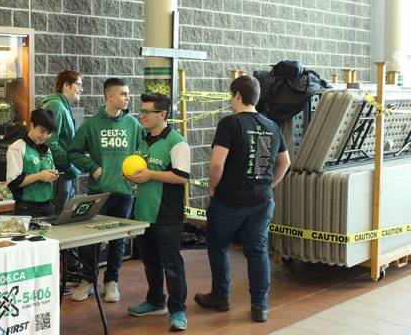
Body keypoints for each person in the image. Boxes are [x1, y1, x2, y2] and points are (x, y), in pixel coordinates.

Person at [194, 75, 290, 323]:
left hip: (230, 200)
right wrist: (269, 184)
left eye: (230, 95)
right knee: (258, 251)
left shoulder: (229, 124)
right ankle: (260, 306)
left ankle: (220, 297)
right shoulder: (272, 125)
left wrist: (213, 189)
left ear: (236, 95)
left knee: (218, 246)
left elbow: (216, 164)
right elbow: (285, 162)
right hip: (261, 200)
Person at [68, 77, 145, 303]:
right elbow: (73, 152)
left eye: (127, 94)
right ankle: (87, 279)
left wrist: (139, 172)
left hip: (124, 192)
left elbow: (144, 150)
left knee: (118, 239)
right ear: (110, 96)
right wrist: (93, 168)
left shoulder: (133, 125)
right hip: (98, 191)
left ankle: (112, 281)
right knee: (90, 239)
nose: (127, 97)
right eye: (123, 93)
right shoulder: (92, 125)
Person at [126, 93, 190, 331]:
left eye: (146, 112)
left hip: (167, 214)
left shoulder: (177, 142)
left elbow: (181, 177)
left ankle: (178, 310)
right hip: (144, 212)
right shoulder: (144, 140)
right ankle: (155, 301)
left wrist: (150, 175)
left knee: (172, 264)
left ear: (162, 115)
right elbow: (142, 169)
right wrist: (132, 176)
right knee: (150, 261)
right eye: (141, 111)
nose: (141, 116)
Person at [41, 69, 83, 214]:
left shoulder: (62, 105)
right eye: (79, 85)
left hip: (64, 173)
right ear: (66, 85)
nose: (81, 90)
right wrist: (68, 166)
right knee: (59, 219)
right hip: (59, 174)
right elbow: (49, 143)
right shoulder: (56, 105)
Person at [6, 108, 59, 218]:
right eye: (42, 131)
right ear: (31, 126)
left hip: (49, 206)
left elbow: (48, 171)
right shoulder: (17, 148)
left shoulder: (46, 150)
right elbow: (13, 182)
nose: (45, 136)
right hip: (27, 209)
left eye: (49, 133)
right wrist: (40, 176)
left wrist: (53, 174)